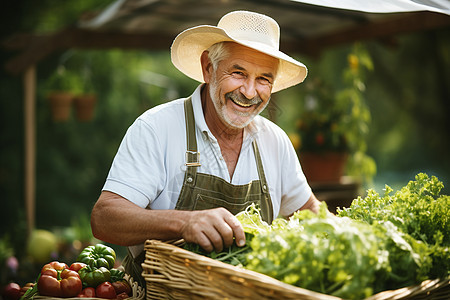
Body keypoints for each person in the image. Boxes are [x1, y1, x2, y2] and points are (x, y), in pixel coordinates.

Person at [90, 10, 322, 284]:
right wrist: (185, 223)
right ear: (208, 68)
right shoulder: (157, 127)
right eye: (238, 72)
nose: (249, 92)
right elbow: (104, 218)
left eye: (263, 79)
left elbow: (312, 217)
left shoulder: (275, 141)